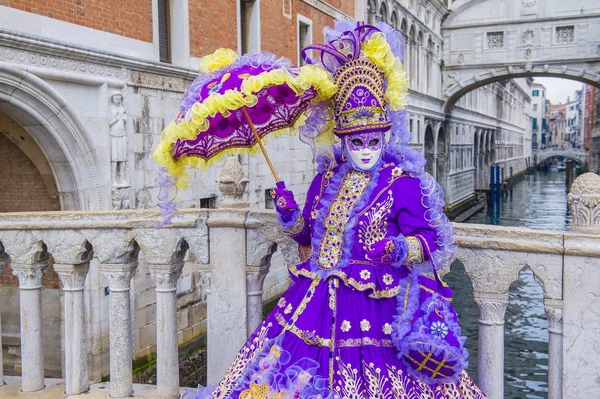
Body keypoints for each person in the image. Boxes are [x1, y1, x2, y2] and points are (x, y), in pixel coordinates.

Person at [185, 21, 486, 399]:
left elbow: (430, 239)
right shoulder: (327, 179)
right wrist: (289, 215)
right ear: (343, 138)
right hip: (314, 296)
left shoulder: (402, 182)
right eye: (356, 140)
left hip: (376, 303)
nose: (364, 148)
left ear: (384, 135)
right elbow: (309, 237)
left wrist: (396, 249)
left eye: (372, 140)